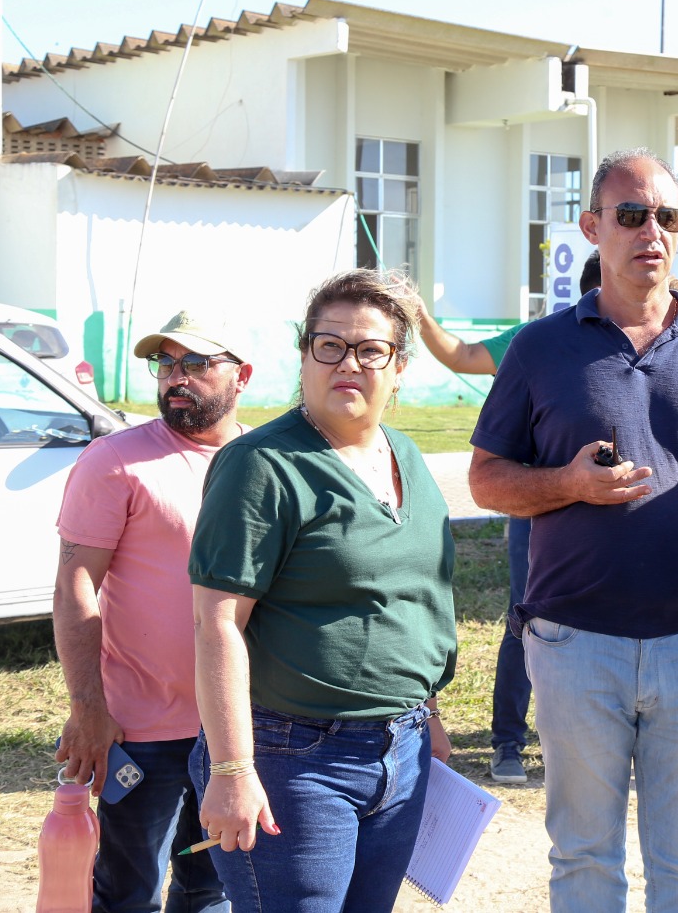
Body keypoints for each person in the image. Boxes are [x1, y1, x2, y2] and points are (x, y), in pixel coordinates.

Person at [468, 148, 678, 913]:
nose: (652, 231)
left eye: (668, 216)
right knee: (584, 860)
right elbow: (485, 480)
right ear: (593, 227)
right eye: (632, 214)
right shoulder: (540, 347)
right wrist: (570, 484)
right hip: (576, 644)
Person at [188, 268, 457, 912]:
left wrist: (428, 717)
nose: (348, 363)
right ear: (304, 354)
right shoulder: (262, 464)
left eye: (371, 350)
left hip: (402, 748)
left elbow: (412, 601)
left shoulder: (407, 455)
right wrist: (231, 770)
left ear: (400, 367)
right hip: (292, 757)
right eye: (329, 345)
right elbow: (216, 623)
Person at [53, 311, 250, 913]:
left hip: (239, 727)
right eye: (164, 363)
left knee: (213, 890)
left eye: (196, 363)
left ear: (241, 376)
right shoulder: (115, 460)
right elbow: (75, 586)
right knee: (127, 894)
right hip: (142, 731)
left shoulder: (266, 462)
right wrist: (88, 707)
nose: (175, 377)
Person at [416, 252, 602, 785]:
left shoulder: (666, 341)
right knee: (528, 621)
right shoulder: (538, 341)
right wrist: (420, 312)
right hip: (539, 510)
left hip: (616, 521)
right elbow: (462, 355)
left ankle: (587, 739)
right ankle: (508, 743)